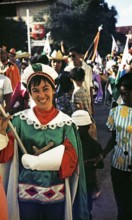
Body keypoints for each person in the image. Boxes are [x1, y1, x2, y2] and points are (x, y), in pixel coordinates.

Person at [0, 63, 89, 220]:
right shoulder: (19, 121)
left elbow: (71, 161)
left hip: (55, 193)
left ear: (54, 89)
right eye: (35, 90)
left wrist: (37, 162)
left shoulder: (66, 123)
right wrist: (2, 134)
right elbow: (4, 156)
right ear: (29, 93)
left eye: (45, 89)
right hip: (25, 194)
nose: (41, 95)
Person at [103, 72, 132, 220]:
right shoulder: (116, 111)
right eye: (122, 93)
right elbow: (113, 138)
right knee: (124, 210)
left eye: (127, 94)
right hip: (118, 167)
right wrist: (102, 154)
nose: (123, 97)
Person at [71, 110, 104, 220]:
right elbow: (100, 165)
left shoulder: (69, 144)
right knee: (85, 207)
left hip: (80, 182)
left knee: (77, 207)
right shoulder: (94, 145)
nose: (78, 130)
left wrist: (90, 161)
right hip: (87, 182)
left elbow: (100, 164)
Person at [64, 46, 94, 114]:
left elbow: (90, 86)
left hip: (86, 101)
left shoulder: (88, 68)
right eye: (70, 56)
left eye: (73, 55)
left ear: (80, 55)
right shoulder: (67, 70)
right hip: (74, 103)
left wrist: (92, 106)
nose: (71, 58)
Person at [49, 50, 73, 116]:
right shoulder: (47, 75)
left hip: (64, 105)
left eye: (58, 62)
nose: (56, 64)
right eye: (54, 61)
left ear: (62, 63)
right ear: (50, 62)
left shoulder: (67, 75)